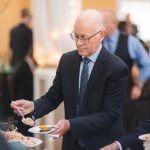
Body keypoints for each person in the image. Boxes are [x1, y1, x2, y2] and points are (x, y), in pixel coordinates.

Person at [10, 9, 128, 150]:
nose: (78, 43)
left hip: (103, 144)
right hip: (72, 143)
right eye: (76, 36)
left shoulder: (116, 68)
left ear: (101, 35)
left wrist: (71, 124)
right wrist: (34, 106)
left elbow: (109, 115)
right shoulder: (67, 60)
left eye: (84, 37)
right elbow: (53, 97)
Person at [102, 9, 150, 133]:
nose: (100, 26)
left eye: (103, 22)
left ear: (114, 23)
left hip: (124, 97)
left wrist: (139, 86)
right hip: (101, 98)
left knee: (123, 133)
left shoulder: (130, 41)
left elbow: (147, 65)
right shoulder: (98, 41)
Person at [11, 47, 36, 136]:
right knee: (23, 127)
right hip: (23, 98)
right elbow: (14, 79)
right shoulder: (23, 64)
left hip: (27, 100)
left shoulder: (28, 63)